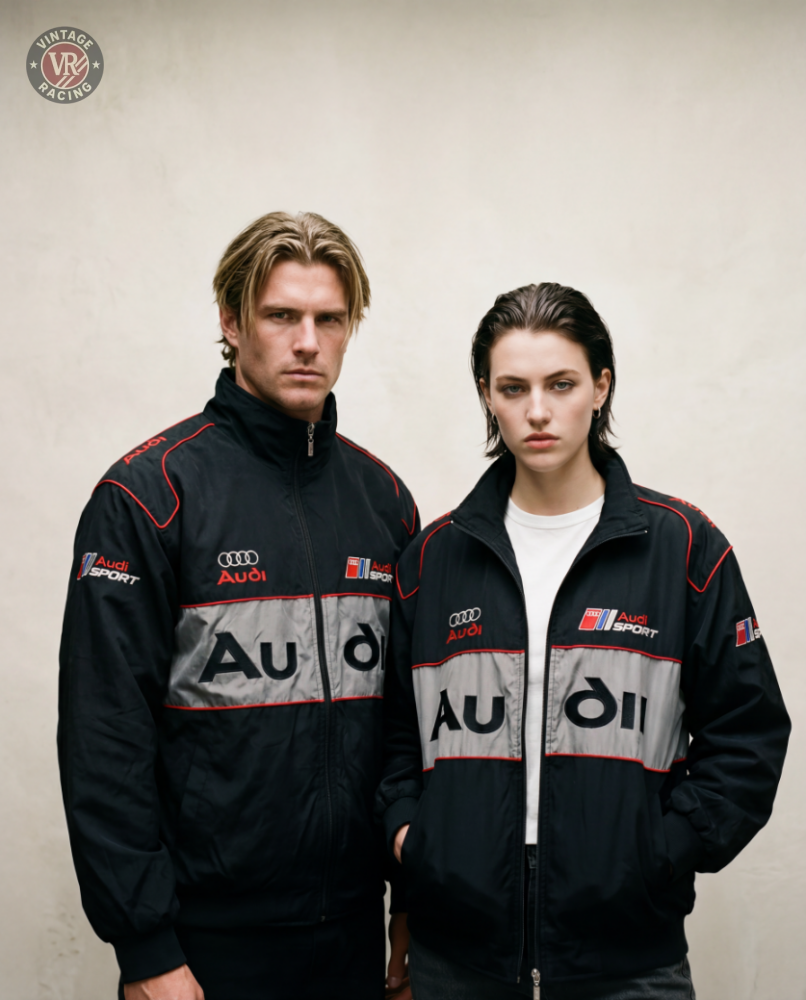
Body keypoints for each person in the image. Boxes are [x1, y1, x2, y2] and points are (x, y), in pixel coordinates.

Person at [377, 282, 790, 999]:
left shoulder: (683, 548)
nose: (537, 410)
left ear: (600, 387)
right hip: (458, 961)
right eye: (513, 387)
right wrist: (415, 842)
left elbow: (748, 735)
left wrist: (662, 854)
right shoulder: (432, 559)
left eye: (561, 383)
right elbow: (390, 739)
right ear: (487, 395)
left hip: (630, 964)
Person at [58, 212, 418, 1000]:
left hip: (356, 937)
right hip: (202, 950)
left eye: (329, 319)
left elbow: (406, 727)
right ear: (230, 321)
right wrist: (147, 949)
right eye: (281, 315)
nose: (307, 342)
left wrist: (409, 908)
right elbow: (104, 739)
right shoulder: (148, 496)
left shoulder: (384, 502)